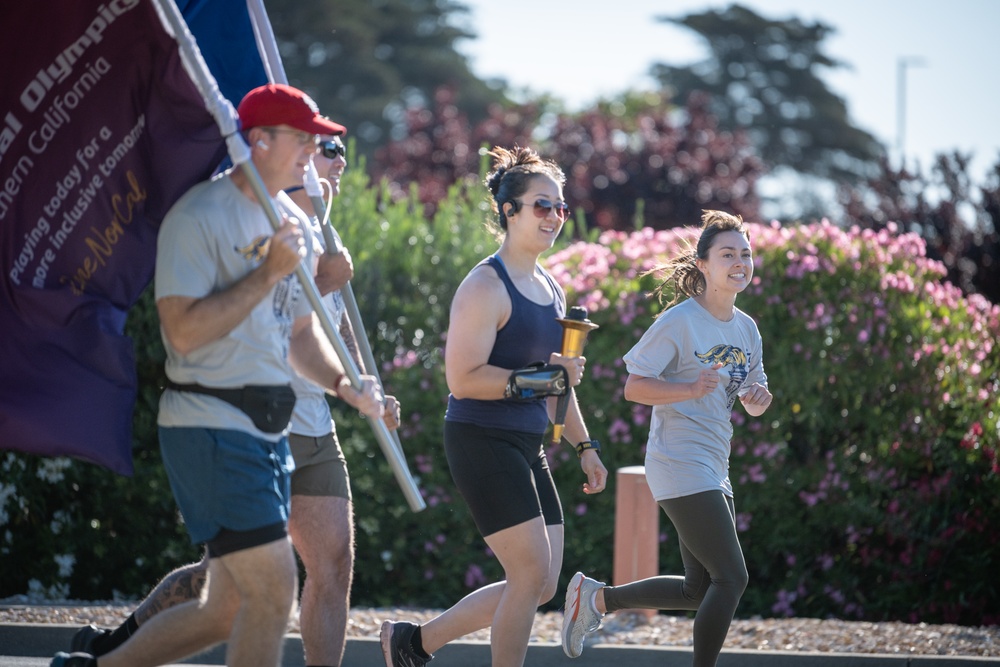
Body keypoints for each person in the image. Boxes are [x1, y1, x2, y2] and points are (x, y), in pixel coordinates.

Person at [51, 83, 385, 667]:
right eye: (302, 138)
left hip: (269, 429)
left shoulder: (293, 226)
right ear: (258, 140)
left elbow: (302, 336)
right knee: (273, 588)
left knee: (224, 607)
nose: (314, 149)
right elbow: (181, 332)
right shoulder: (199, 215)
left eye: (318, 140)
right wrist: (267, 273)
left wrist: (343, 384)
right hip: (209, 421)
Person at [379, 146, 608, 667]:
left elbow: (557, 385)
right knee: (528, 576)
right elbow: (462, 379)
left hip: (530, 446)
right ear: (509, 211)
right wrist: (541, 379)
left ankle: (412, 644)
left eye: (560, 207)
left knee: (543, 583)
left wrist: (585, 445)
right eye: (541, 206)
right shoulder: (485, 285)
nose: (554, 216)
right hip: (481, 439)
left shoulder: (551, 288)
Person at [560, 210, 773, 667]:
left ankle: (596, 600)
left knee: (699, 589)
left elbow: (755, 397)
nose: (740, 262)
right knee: (732, 578)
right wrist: (690, 388)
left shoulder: (747, 327)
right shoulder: (681, 321)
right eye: (727, 254)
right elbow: (634, 386)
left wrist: (759, 397)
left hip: (716, 463)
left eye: (745, 254)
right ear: (703, 264)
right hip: (678, 458)